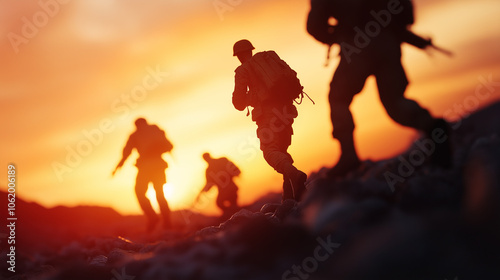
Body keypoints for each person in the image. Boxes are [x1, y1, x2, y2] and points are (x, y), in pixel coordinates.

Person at [306, 0, 452, 177]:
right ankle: (433, 127)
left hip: (357, 44)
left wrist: (337, 35)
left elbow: (315, 26)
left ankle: (348, 155)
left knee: (339, 98)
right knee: (395, 103)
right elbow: (405, 13)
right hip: (387, 43)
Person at [231, 39, 307, 202]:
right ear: (251, 50)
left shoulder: (243, 70)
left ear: (238, 56)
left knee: (269, 151)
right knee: (282, 152)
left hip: (268, 116)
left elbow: (238, 103)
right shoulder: (270, 58)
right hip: (287, 113)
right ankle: (291, 196)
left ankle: (295, 175)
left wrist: (255, 97)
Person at [112, 118, 174, 231]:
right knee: (160, 193)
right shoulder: (156, 129)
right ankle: (167, 222)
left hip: (145, 167)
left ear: (136, 125)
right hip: (159, 166)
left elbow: (126, 152)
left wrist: (118, 167)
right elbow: (169, 145)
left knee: (139, 192)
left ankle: (153, 217)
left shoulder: (135, 135)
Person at [196, 153, 240, 218]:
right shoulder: (220, 162)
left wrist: (200, 194)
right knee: (221, 204)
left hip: (230, 189)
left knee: (221, 203)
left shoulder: (219, 163)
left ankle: (233, 214)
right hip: (228, 190)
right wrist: (200, 194)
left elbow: (236, 170)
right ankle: (232, 214)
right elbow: (208, 185)